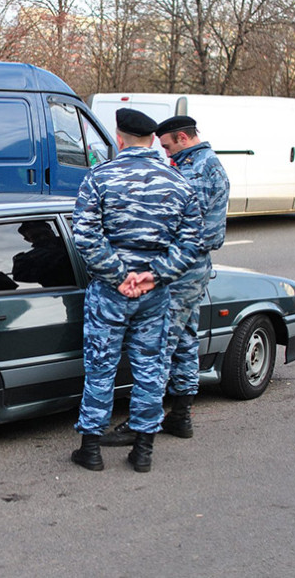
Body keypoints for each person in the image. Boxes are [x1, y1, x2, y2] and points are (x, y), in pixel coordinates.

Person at [71, 108, 203, 473]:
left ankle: (92, 450)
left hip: (110, 294)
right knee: (151, 368)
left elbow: (84, 236)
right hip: (154, 295)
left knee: (101, 367)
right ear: (151, 140)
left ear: (119, 138)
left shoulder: (100, 177)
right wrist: (153, 276)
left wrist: (117, 276)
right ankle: (143, 450)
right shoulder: (179, 183)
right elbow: (192, 243)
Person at [102, 115, 230, 447]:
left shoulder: (197, 170)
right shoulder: (202, 163)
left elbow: (181, 226)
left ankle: (143, 422)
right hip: (194, 266)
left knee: (158, 346)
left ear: (184, 138)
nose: (165, 151)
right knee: (185, 339)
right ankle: (181, 414)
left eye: (168, 145)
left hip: (181, 266)